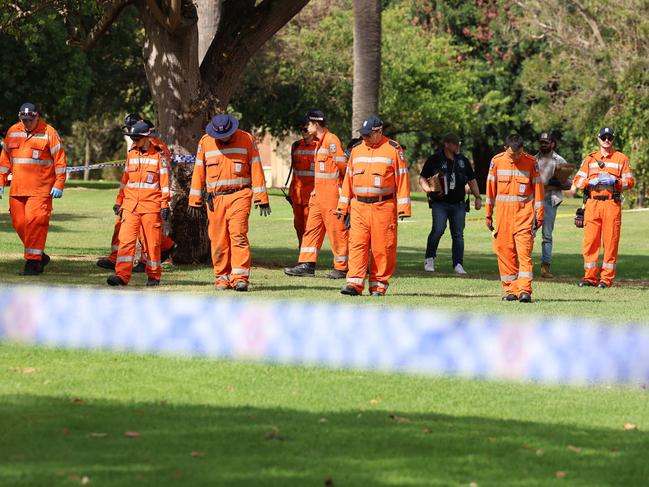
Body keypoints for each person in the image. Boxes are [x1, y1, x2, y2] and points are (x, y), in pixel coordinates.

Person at [187, 113, 270, 291]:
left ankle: (240, 277)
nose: (223, 138)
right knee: (218, 240)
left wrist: (261, 198)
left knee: (238, 235)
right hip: (215, 199)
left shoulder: (246, 139)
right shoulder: (205, 142)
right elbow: (198, 171)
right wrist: (194, 200)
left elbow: (256, 167)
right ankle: (222, 278)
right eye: (219, 136)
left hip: (240, 195)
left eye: (226, 135)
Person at [336, 116, 411, 296]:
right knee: (357, 245)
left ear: (379, 132)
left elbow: (402, 179)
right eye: (363, 135)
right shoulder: (356, 150)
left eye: (369, 135)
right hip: (359, 207)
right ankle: (354, 283)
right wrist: (342, 206)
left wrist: (403, 208)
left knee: (382, 247)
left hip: (383, 206)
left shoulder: (393, 150)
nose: (365, 138)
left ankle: (378, 285)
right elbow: (348, 180)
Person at [96, 114, 176, 271]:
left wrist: (163, 203)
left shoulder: (157, 149)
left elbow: (162, 176)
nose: (133, 139)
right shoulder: (135, 148)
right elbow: (127, 179)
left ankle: (151, 258)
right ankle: (118, 260)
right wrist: (120, 200)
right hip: (131, 200)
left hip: (148, 200)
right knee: (124, 228)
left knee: (147, 233)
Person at [0, 102, 66, 275]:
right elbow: (4, 160)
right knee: (19, 224)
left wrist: (59, 183)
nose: (27, 123)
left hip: (40, 191)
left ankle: (33, 264)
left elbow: (60, 161)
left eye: (31, 119)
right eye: (24, 119)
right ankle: (39, 256)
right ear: (19, 116)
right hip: (17, 189)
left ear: (37, 116)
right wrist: (1, 181)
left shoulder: (49, 133)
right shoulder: (13, 131)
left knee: (35, 225)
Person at [284, 110, 349, 278]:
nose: (306, 127)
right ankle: (306, 264)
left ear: (316, 124)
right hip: (318, 194)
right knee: (311, 230)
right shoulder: (319, 143)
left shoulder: (331, 140)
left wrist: (341, 189)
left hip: (331, 194)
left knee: (336, 230)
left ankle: (342, 267)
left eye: (309, 124)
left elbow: (343, 168)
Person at [571, 127, 635, 288]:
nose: (607, 140)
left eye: (610, 137)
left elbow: (630, 182)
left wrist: (616, 182)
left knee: (610, 242)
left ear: (613, 139)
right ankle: (589, 278)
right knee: (590, 242)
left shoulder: (621, 158)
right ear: (598, 138)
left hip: (611, 204)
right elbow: (577, 181)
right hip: (592, 204)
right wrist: (588, 182)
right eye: (604, 137)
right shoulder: (590, 159)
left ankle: (606, 279)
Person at [485, 134, 544, 303]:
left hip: (524, 217)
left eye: (519, 153)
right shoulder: (496, 162)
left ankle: (525, 290)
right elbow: (490, 191)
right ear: (506, 149)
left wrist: (539, 216)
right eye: (513, 154)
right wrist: (488, 214)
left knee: (524, 254)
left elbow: (539, 191)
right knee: (504, 253)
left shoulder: (531, 162)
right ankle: (511, 290)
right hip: (503, 218)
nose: (517, 157)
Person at [419, 133, 481, 274]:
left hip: (458, 204)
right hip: (440, 203)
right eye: (455, 143)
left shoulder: (463, 161)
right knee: (438, 229)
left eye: (458, 143)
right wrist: (429, 191)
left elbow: (472, 180)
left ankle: (458, 264)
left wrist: (477, 197)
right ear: (446, 144)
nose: (458, 146)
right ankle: (429, 259)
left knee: (458, 234)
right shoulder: (434, 159)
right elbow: (422, 178)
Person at [534, 132, 568, 278]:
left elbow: (568, 184)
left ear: (552, 144)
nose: (543, 145)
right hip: (533, 201)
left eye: (546, 142)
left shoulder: (560, 160)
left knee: (547, 236)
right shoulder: (532, 160)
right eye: (541, 142)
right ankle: (524, 264)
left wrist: (552, 184)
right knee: (529, 233)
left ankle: (545, 268)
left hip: (549, 201)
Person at [287, 115, 316, 247]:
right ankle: (302, 255)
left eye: (305, 129)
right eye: (301, 130)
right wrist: (291, 193)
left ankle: (307, 259)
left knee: (309, 228)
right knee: (298, 227)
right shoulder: (296, 146)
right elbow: (295, 173)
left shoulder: (320, 146)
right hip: (297, 197)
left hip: (312, 196)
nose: (303, 132)